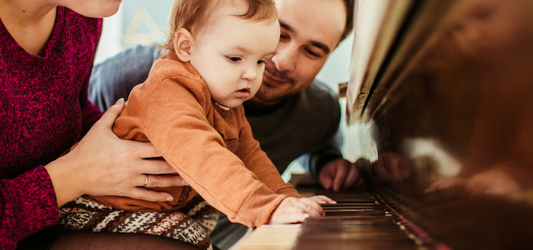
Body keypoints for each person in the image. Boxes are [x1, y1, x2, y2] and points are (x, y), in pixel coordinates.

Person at [59, 0, 331, 250]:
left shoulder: (224, 98)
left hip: (157, 205)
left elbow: (250, 156)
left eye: (261, 60)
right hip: (95, 207)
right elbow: (205, 157)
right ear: (186, 47)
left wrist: (286, 198)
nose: (251, 74)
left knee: (203, 217)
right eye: (235, 58)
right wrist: (266, 208)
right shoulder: (168, 90)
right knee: (192, 236)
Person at [0, 0, 204, 250]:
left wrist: (133, 145)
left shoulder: (81, 14)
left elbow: (69, 108)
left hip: (55, 217)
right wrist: (72, 176)